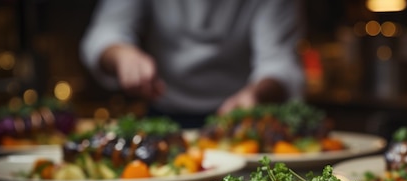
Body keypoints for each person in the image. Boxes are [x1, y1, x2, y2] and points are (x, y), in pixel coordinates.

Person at [80, 0, 307, 128]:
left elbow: (279, 61)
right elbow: (105, 32)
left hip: (239, 121)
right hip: (162, 116)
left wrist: (255, 94)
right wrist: (122, 54)